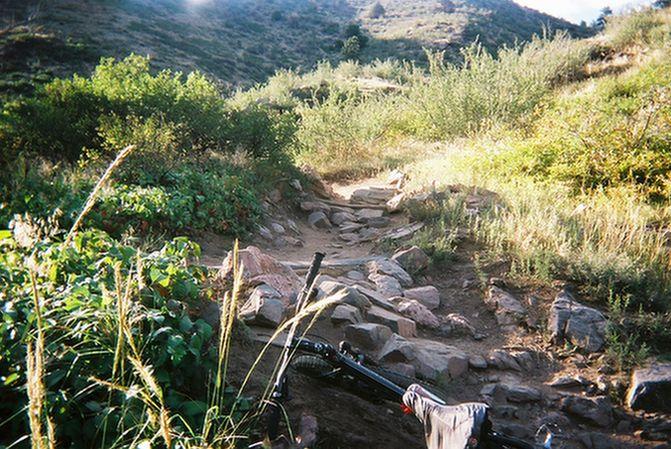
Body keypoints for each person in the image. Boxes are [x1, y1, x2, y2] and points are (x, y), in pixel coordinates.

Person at [403, 384, 490, 449]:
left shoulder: (425, 407)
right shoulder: (430, 408)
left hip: (465, 424)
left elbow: (412, 393)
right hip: (473, 415)